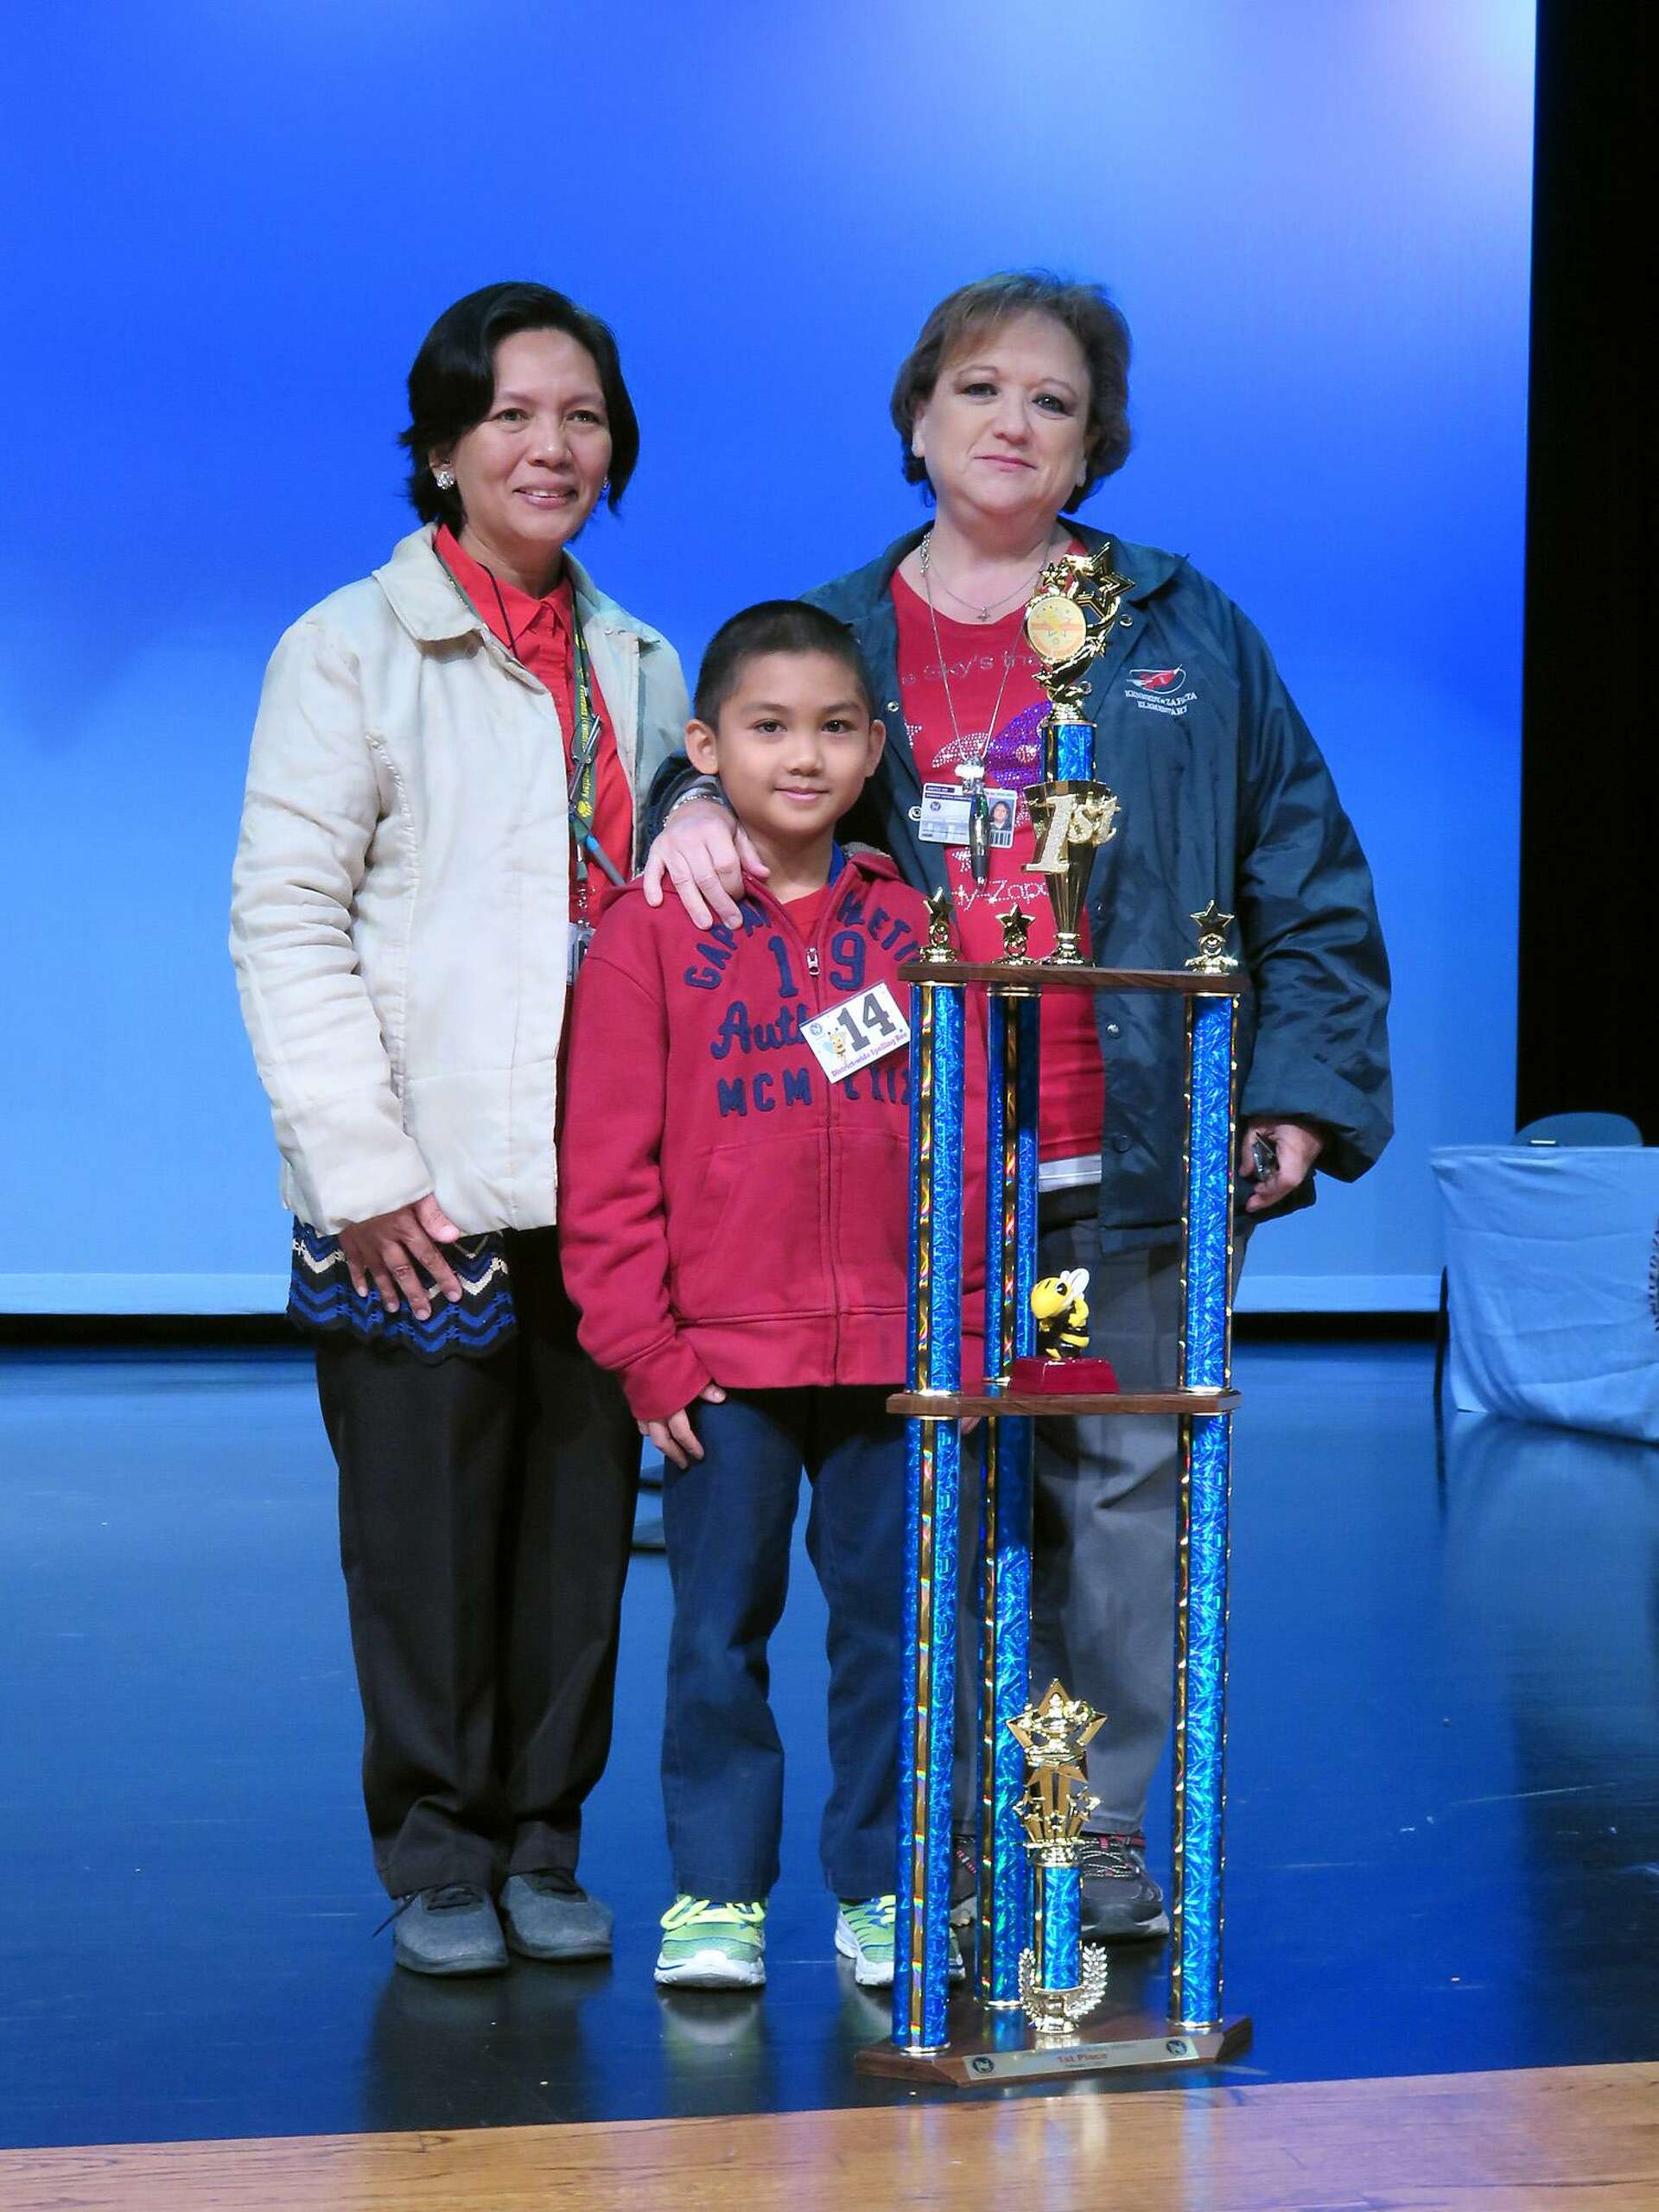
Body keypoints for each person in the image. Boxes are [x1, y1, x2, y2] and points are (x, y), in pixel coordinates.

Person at [641, 270, 1392, 1944]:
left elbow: (1304, 860)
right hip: (912, 1176)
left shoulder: (1180, 628)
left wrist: (1298, 1090)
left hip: (1127, 1157)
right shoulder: (834, 630)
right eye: (979, 388)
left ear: (1093, 441)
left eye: (1054, 400)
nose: (1013, 422)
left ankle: (1090, 1830)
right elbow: (739, 760)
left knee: (1116, 1498)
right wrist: (684, 800)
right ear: (916, 420)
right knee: (939, 1514)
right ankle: (957, 1837)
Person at [230, 283, 690, 1977]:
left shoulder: (645, 664)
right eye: (511, 415)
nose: (550, 447)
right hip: (419, 1182)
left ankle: (544, 1837)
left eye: (582, 417)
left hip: (605, 1175)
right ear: (439, 449)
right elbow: (285, 919)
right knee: (424, 1543)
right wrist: (361, 1171)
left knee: (580, 1532)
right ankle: (437, 1852)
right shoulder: (349, 647)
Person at [559, 601, 977, 1992]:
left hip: (894, 1368)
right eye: (769, 726)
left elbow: (969, 1138)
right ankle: (718, 1894)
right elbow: (606, 1167)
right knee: (715, 1637)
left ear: (875, 749)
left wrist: (960, 1333)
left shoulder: (916, 927)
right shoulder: (650, 930)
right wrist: (645, 1352)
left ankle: (884, 1886)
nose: (804, 756)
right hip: (719, 1374)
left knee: (893, 1639)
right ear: (705, 746)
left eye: (835, 728)